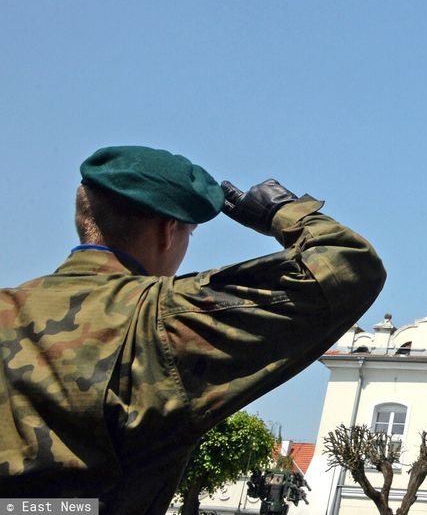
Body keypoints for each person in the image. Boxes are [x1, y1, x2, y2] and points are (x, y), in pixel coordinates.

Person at [0, 145, 386, 513]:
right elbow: (351, 265)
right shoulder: (162, 316)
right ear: (168, 231)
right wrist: (282, 212)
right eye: (189, 234)